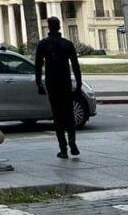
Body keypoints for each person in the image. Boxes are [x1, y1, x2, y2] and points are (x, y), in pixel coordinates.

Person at [35, 15, 82, 159]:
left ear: (48, 27)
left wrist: (39, 83)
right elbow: (75, 65)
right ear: (59, 26)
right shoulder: (67, 44)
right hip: (65, 82)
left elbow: (38, 66)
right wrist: (78, 83)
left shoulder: (43, 44)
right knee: (69, 114)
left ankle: (63, 148)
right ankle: (73, 142)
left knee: (57, 116)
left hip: (52, 83)